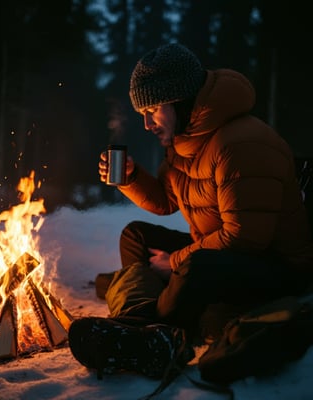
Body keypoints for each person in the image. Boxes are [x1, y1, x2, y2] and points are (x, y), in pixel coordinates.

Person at [68, 43, 313, 380]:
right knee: (136, 236)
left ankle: (156, 330)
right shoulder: (185, 140)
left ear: (181, 99)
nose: (147, 124)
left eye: (153, 109)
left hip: (276, 267)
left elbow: (246, 238)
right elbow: (167, 201)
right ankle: (150, 322)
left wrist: (177, 261)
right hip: (221, 254)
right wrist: (131, 178)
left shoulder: (242, 143)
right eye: (142, 112)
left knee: (194, 266)